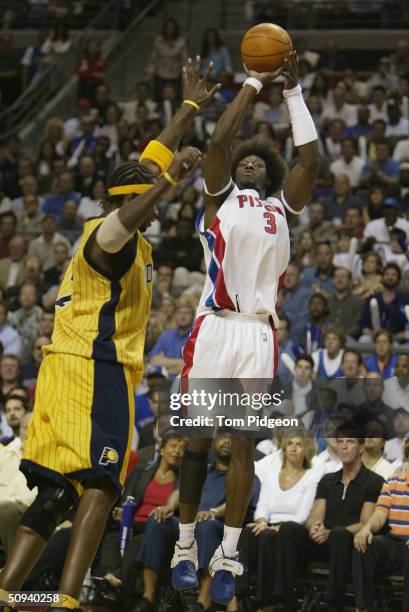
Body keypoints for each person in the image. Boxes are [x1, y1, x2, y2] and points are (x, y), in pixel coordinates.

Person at [0, 56, 218, 612]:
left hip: (67, 371)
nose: (153, 194)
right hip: (93, 373)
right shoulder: (108, 235)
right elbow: (144, 191)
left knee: (57, 495)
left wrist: (189, 109)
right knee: (101, 484)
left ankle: (5, 592)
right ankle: (70, 601)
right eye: (143, 191)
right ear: (126, 200)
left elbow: (152, 159)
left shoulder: (127, 229)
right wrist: (170, 180)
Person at [170, 51, 319, 606]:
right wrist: (254, 80)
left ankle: (228, 554)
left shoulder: (283, 205)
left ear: (272, 173)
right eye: (244, 162)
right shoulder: (221, 195)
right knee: (198, 441)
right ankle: (185, 545)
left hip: (257, 333)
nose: (248, 164)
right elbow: (218, 144)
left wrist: (294, 95)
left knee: (243, 443)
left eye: (259, 163)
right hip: (214, 327)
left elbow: (311, 159)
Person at [136, 435, 259, 612]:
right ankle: (148, 597)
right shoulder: (202, 470)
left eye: (230, 438)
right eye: (222, 437)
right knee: (157, 520)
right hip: (190, 522)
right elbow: (178, 492)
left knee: (205, 526)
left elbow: (241, 503)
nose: (226, 441)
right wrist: (169, 506)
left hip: (217, 526)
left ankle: (202, 602)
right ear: (214, 442)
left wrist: (213, 512)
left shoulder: (249, 477)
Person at [271, 425, 384, 610]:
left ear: (362, 447)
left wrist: (329, 533)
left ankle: (333, 605)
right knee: (289, 528)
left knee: (339, 534)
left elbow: (365, 523)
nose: (344, 447)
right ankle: (284, 600)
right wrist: (316, 526)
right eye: (340, 442)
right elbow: (316, 514)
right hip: (324, 542)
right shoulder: (328, 479)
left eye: (350, 442)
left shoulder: (374, 481)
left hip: (350, 545)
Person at [95, 434, 186, 608]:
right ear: (162, 450)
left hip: (158, 526)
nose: (177, 452)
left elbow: (178, 502)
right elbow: (127, 496)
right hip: (132, 522)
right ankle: (108, 576)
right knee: (112, 536)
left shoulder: (182, 478)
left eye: (182, 449)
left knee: (137, 542)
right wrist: (122, 511)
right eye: (173, 446)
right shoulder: (142, 470)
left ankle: (118, 581)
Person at [238, 434, 318, 609]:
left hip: (295, 530)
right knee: (249, 532)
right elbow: (262, 506)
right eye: (290, 444)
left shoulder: (312, 476)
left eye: (299, 444)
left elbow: (303, 514)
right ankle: (241, 593)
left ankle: (277, 599)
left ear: (307, 451)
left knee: (284, 531)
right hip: (269, 526)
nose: (294, 448)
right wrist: (261, 521)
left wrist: (278, 527)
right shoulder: (272, 475)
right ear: (284, 449)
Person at [353, 456, 409, 611]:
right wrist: (367, 528)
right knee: (364, 544)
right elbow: (380, 514)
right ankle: (363, 607)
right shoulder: (393, 481)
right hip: (395, 543)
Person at [0, 412, 36, 557]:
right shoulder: (5, 453)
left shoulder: (49, 457)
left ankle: (14, 571)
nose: (28, 433)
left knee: (7, 511)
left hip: (26, 508)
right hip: (3, 504)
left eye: (33, 428)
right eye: (25, 428)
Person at [327, 267, 363, 338]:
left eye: (343, 276)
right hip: (328, 338)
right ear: (332, 280)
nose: (339, 280)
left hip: (348, 338)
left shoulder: (358, 301)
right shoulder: (327, 301)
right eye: (336, 277)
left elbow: (357, 326)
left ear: (350, 281)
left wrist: (341, 337)